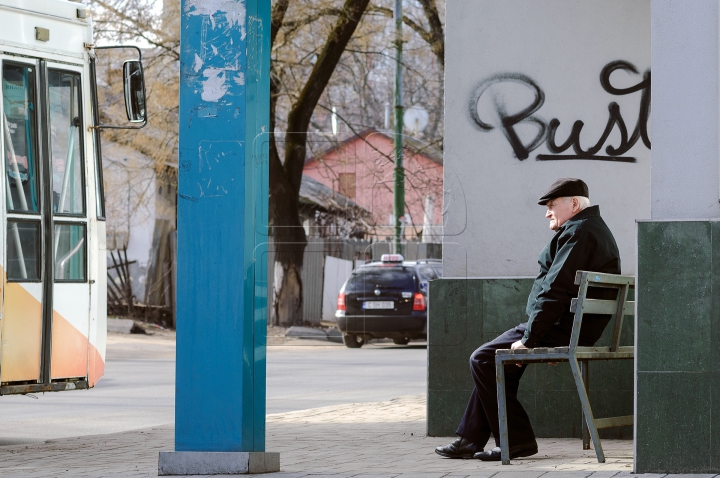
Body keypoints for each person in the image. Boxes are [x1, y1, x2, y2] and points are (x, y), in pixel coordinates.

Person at [435, 178, 620, 461]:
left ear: (573, 203)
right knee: (500, 366)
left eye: (551, 205)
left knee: (483, 359)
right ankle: (470, 439)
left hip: (562, 327)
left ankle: (516, 441)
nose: (547, 212)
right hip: (571, 326)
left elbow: (556, 289)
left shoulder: (580, 231)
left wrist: (529, 339)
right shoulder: (589, 229)